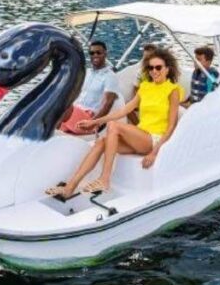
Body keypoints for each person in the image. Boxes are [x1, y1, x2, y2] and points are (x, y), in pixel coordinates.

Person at [46, 48, 184, 198]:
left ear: (167, 69)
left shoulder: (173, 90)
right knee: (101, 142)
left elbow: (171, 126)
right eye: (150, 67)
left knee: (114, 126)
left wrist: (154, 152)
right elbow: (124, 111)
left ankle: (105, 180)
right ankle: (70, 187)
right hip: (140, 137)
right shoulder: (145, 87)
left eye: (158, 67)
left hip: (154, 139)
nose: (154, 71)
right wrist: (95, 122)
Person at [58, 40, 119, 135]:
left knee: (63, 106)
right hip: (73, 113)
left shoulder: (110, 76)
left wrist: (93, 123)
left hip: (88, 118)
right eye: (92, 53)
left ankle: (48, 135)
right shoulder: (86, 73)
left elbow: (108, 103)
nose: (95, 55)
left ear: (105, 54)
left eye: (98, 52)